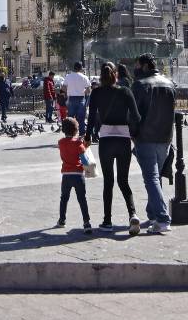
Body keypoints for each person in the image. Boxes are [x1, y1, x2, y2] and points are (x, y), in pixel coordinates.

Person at [87, 63, 141, 235]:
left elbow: (91, 118)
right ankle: (133, 214)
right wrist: (134, 133)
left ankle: (107, 221)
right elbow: (136, 116)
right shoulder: (125, 91)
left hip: (106, 140)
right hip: (123, 139)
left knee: (108, 182)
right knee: (123, 181)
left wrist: (87, 137)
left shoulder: (96, 93)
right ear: (116, 74)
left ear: (101, 75)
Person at [130, 53, 176, 234]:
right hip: (165, 137)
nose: (135, 69)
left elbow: (134, 114)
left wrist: (133, 134)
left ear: (145, 66)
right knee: (155, 177)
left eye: (137, 65)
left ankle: (163, 219)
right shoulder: (169, 83)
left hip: (146, 137)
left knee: (151, 178)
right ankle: (153, 215)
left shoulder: (140, 85)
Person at [56, 117, 92, 234]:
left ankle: (62, 220)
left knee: (64, 198)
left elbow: (68, 145)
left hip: (66, 175)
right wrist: (84, 145)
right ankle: (86, 223)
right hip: (78, 174)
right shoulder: (78, 144)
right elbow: (85, 160)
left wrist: (78, 142)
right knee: (82, 199)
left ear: (63, 130)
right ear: (76, 130)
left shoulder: (61, 142)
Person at [63, 62, 93, 136]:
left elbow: (63, 88)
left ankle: (69, 134)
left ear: (74, 67)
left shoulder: (68, 76)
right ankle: (82, 135)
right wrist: (83, 92)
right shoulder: (84, 77)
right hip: (81, 99)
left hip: (71, 99)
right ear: (81, 68)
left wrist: (69, 91)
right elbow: (89, 90)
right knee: (81, 119)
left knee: (70, 119)